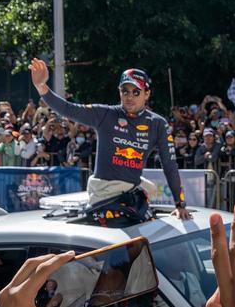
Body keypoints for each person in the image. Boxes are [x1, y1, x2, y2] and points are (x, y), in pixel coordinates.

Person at [29, 59, 189, 220]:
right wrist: (41, 87)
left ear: (147, 94)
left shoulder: (158, 124)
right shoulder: (106, 114)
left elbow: (170, 165)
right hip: (104, 198)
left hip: (132, 197)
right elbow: (68, 109)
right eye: (125, 91)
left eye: (136, 92)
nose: (129, 96)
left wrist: (179, 204)